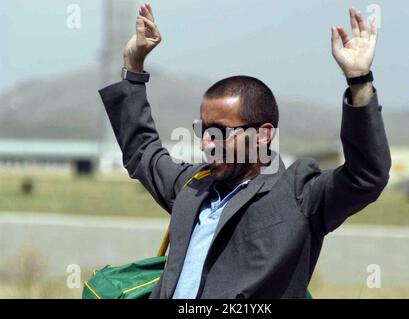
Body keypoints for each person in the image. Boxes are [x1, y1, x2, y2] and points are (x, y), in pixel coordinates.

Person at [99, 3, 391, 299]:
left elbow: (365, 176)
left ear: (263, 135)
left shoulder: (300, 195)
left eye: (220, 133)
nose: (206, 144)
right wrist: (133, 68)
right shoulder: (192, 186)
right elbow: (142, 151)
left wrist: (359, 82)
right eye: (203, 130)